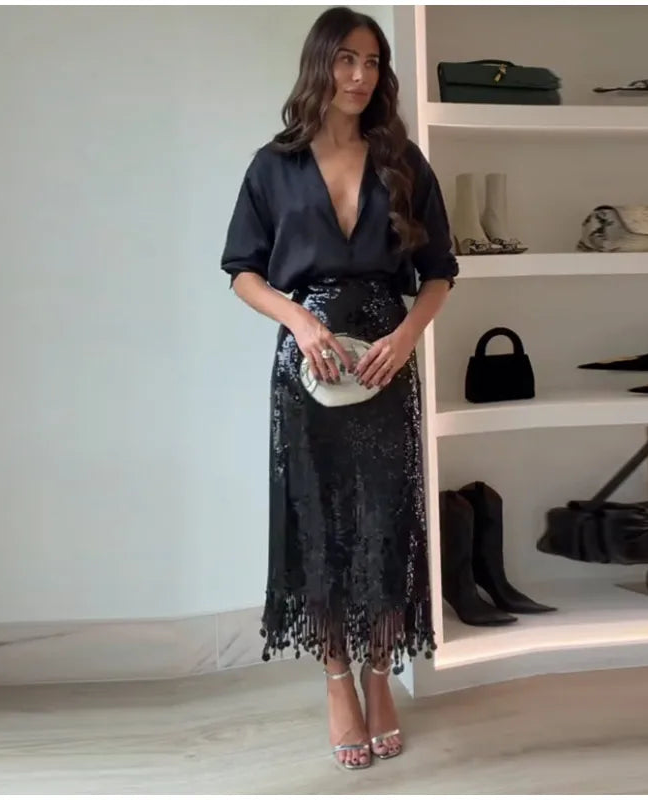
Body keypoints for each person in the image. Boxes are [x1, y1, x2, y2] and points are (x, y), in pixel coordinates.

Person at [220, 6, 458, 770]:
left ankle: (382, 676)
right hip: (310, 371)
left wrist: (407, 336)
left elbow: (440, 272)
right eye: (347, 60)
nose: (361, 76)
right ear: (320, 64)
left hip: (386, 368)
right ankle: (335, 680)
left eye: (374, 62)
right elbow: (242, 271)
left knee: (387, 522)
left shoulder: (403, 160)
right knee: (316, 526)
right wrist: (298, 320)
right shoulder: (273, 165)